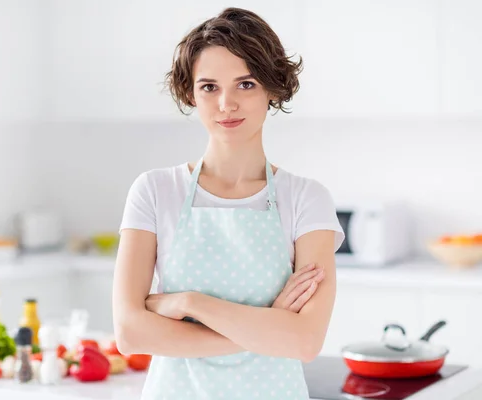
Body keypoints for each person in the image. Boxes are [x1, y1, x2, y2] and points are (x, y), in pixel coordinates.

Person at [112, 7, 345, 400]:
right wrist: (271, 328)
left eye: (246, 84)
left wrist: (190, 303)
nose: (226, 104)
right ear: (190, 93)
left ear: (272, 88)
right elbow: (131, 333)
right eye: (209, 87)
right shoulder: (154, 191)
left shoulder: (307, 199)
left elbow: (305, 342)